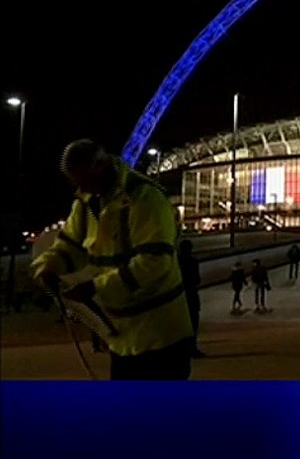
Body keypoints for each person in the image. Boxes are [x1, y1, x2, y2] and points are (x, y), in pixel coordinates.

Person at [29, 140, 194, 380]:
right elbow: (69, 244)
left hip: (160, 335)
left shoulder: (145, 198)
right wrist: (48, 267)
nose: (82, 188)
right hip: (121, 336)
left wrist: (94, 288)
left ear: (102, 166)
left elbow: (155, 263)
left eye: (85, 180)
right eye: (77, 182)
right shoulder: (87, 201)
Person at [177, 239, 207, 358]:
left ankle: (181, 349)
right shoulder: (193, 262)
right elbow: (197, 280)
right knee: (193, 324)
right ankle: (192, 348)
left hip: (179, 297)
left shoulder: (176, 262)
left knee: (180, 325)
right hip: (191, 295)